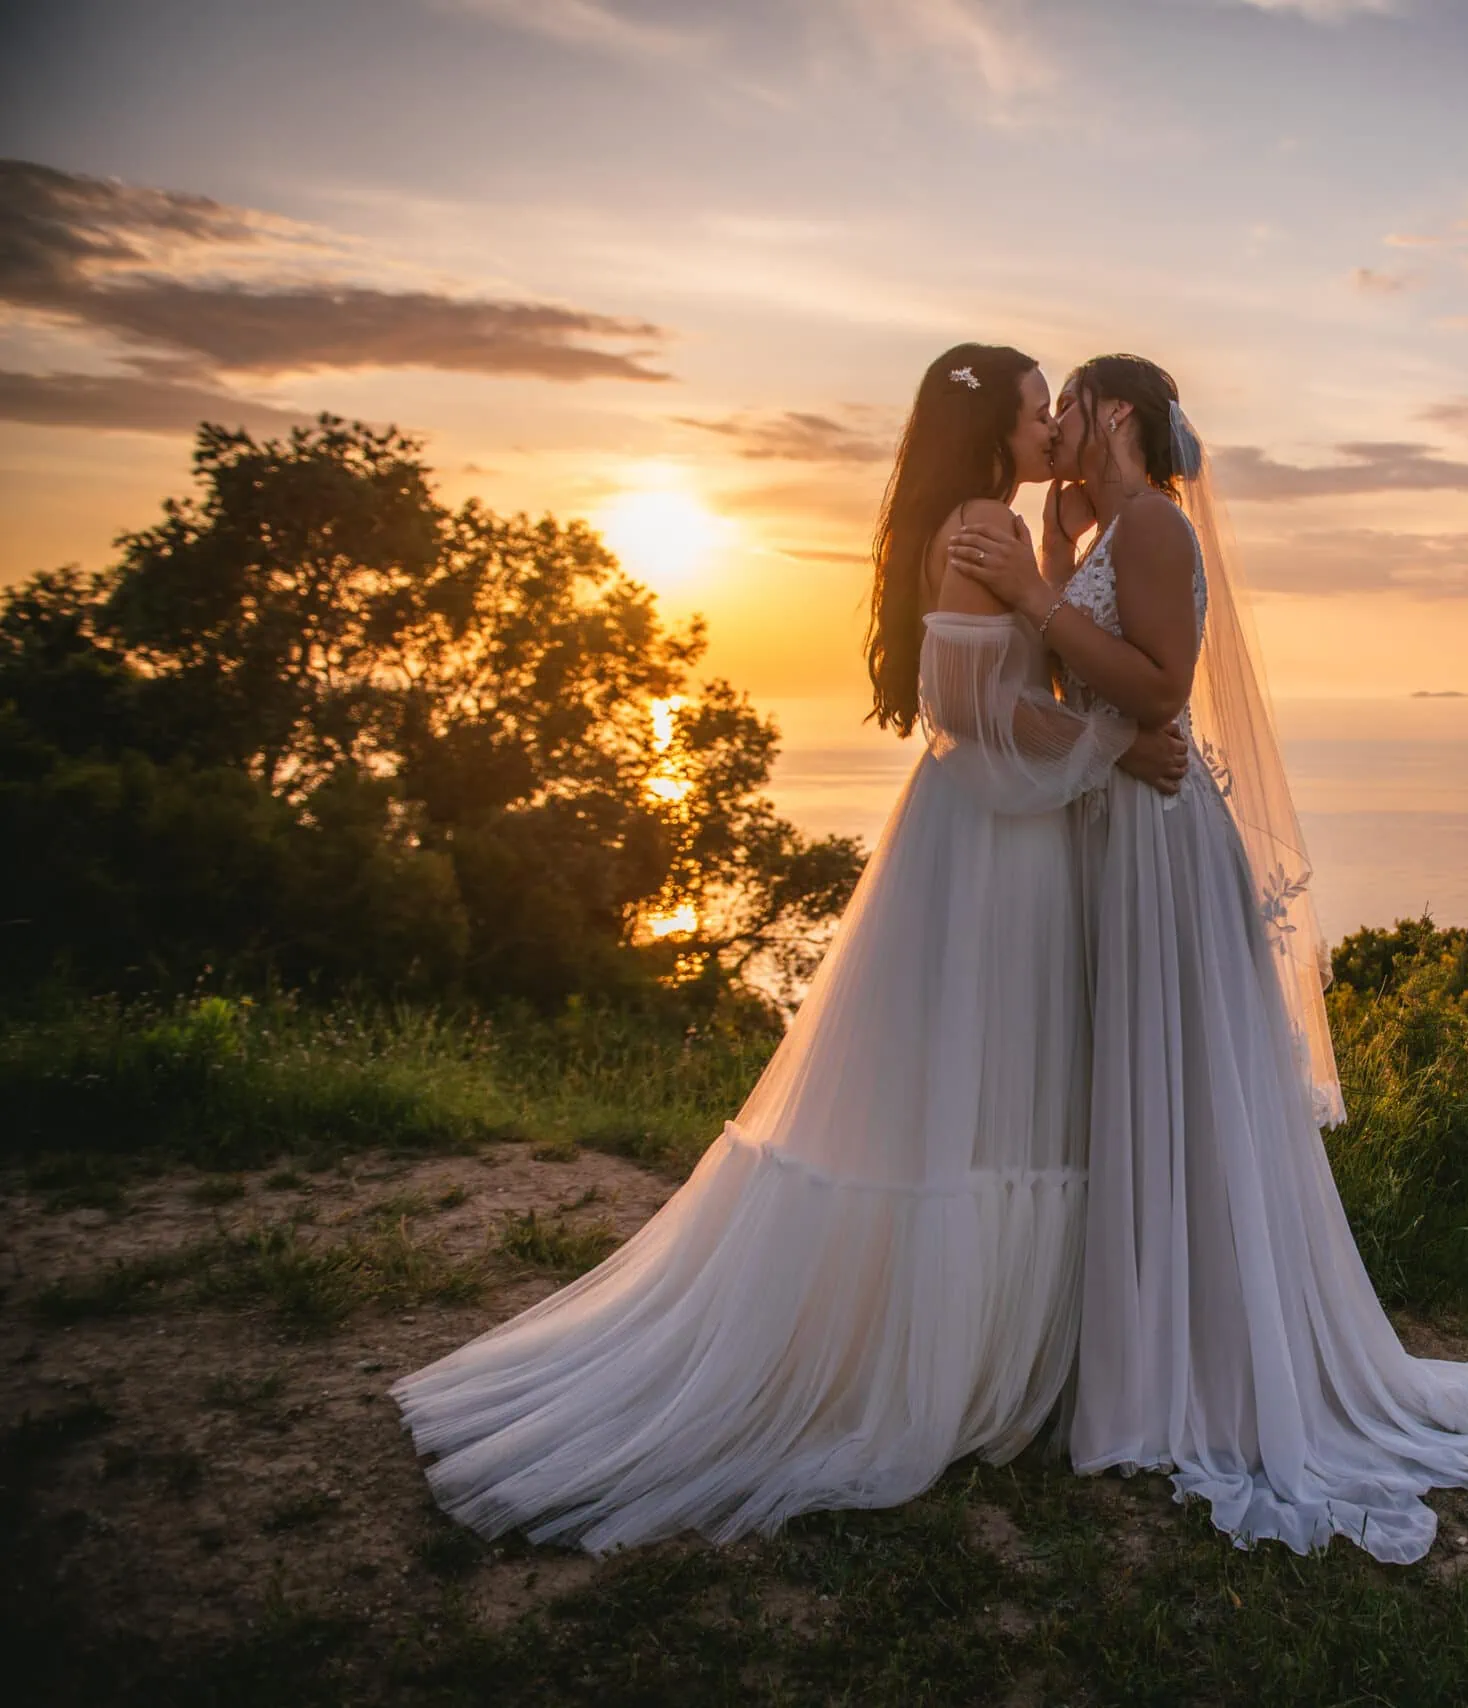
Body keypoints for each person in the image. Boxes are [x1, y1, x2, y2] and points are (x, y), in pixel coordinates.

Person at [391, 343, 1186, 1552]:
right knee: (987, 1096)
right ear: (992, 432)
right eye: (1035, 412)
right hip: (992, 847)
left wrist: (1068, 568)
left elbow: (1022, 672)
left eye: (1058, 412)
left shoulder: (1006, 524)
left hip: (994, 834)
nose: (1049, 429)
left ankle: (989, 1350)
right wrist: (1114, 748)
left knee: (977, 1095)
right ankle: (948, 1371)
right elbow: (964, 713)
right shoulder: (980, 524)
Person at [949, 354, 1468, 1564]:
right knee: (1130, 1089)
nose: (1055, 422)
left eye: (1070, 401)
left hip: (1164, 844)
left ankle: (1197, 1366)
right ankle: (1127, 1339)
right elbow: (1077, 690)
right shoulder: (1101, 528)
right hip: (1112, 829)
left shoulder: (1159, 528)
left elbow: (1162, 695)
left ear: (1115, 412)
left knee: (1182, 1092)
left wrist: (1039, 595)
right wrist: (1052, 567)